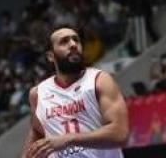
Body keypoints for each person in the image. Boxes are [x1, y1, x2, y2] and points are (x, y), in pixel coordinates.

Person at [22, 26, 129, 158]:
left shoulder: (99, 80)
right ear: (50, 56)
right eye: (64, 41)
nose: (73, 44)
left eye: (76, 40)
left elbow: (120, 134)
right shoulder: (37, 93)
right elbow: (37, 131)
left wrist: (69, 139)